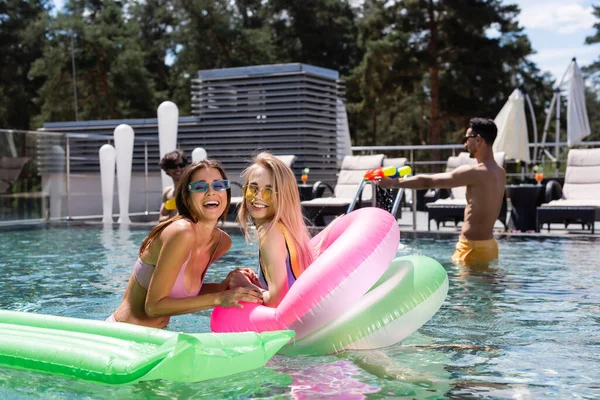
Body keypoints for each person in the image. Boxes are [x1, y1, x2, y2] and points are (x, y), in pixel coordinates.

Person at [108, 159, 263, 328]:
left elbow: (180, 293)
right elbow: (153, 307)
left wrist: (225, 287)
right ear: (187, 198)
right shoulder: (181, 232)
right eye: (199, 187)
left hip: (154, 338)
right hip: (121, 335)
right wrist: (219, 298)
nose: (211, 192)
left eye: (218, 185)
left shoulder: (221, 242)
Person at [379, 118, 506, 264]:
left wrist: (394, 183)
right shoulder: (500, 172)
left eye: (467, 138)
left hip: (471, 249)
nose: (465, 144)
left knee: (465, 286)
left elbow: (429, 182)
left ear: (478, 139)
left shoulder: (474, 172)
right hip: (490, 246)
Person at [228, 152, 314, 307]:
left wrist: (245, 286)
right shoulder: (287, 229)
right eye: (253, 188)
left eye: (268, 191)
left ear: (284, 197)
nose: (258, 197)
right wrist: (258, 283)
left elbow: (278, 301)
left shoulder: (270, 232)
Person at [159, 150, 188, 222]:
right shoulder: (167, 192)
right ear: (167, 169)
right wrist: (174, 216)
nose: (178, 168)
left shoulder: (191, 189)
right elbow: (160, 219)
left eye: (181, 165)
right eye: (173, 166)